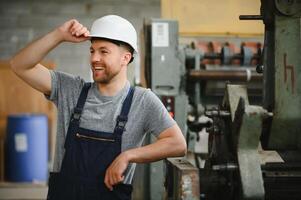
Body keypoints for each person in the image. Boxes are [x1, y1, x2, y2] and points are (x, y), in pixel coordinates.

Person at [10, 15, 186, 200]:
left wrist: (128, 156)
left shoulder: (142, 101)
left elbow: (178, 143)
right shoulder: (70, 90)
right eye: (92, 50)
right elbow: (19, 65)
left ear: (125, 58)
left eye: (104, 51)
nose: (94, 58)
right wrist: (59, 35)